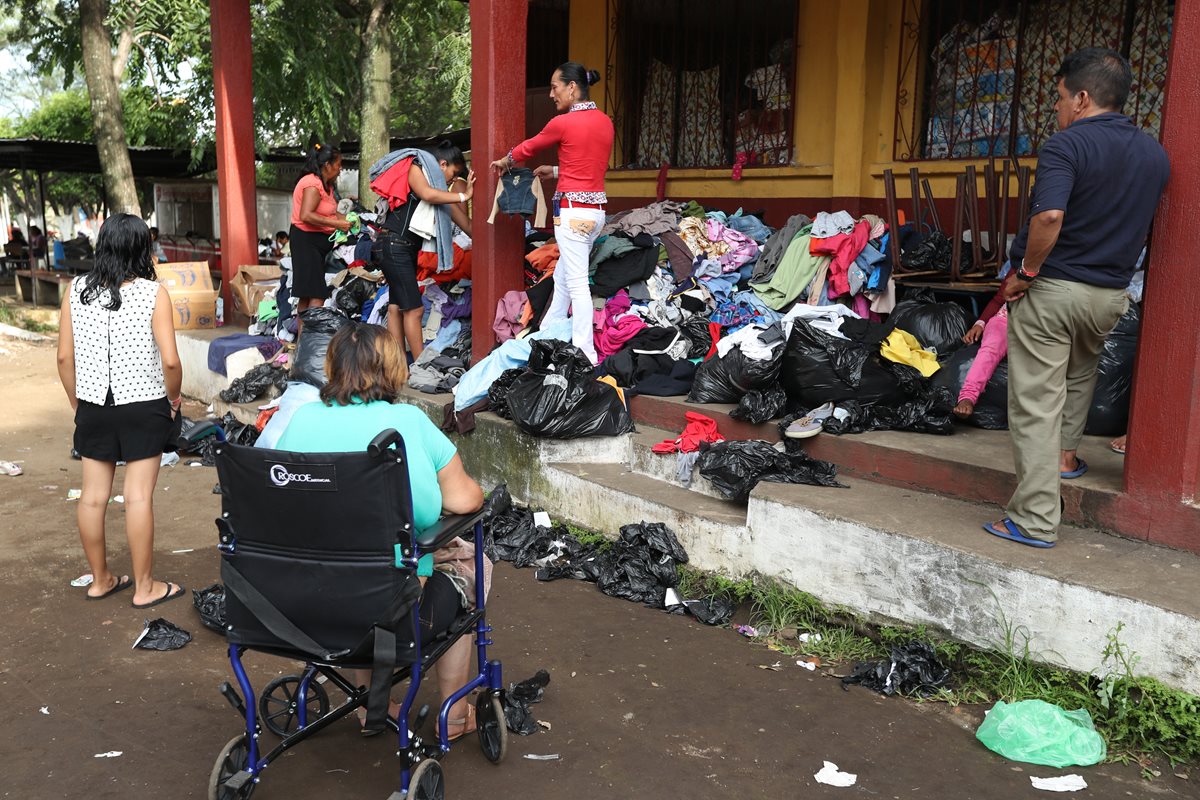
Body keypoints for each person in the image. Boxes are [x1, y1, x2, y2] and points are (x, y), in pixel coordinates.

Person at [984, 48, 1169, 548]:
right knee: (1081, 374)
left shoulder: (1067, 145)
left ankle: (1034, 519)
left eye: (1061, 97)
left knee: (1036, 403)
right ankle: (1066, 458)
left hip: (1054, 291)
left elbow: (1049, 217)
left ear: (1082, 98)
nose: (1058, 107)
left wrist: (1024, 273)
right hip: (1110, 296)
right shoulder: (1154, 155)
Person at [275, 323, 487, 738]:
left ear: (332, 367)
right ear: (393, 370)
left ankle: (368, 703)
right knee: (469, 566)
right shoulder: (407, 423)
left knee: (351, 556)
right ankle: (456, 716)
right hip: (392, 613)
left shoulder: (301, 421)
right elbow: (466, 501)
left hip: (304, 606)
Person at [56, 213, 186, 607]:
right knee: (138, 497)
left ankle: (100, 580)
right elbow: (170, 362)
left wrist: (79, 403)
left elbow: (63, 358)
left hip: (93, 405)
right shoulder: (153, 293)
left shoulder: (75, 290)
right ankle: (145, 588)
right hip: (144, 405)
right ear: (142, 249)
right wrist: (174, 400)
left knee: (93, 497)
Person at [491, 61, 614, 364]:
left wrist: (506, 160)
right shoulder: (605, 122)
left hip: (572, 215)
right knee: (563, 277)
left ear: (572, 87)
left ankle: (586, 354)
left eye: (554, 87)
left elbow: (530, 147)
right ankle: (547, 333)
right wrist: (557, 171)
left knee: (577, 284)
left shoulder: (563, 123)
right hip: (595, 214)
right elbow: (589, 163)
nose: (550, 94)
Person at [371, 141, 475, 360]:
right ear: (442, 164)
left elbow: (467, 225)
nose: (453, 181)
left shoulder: (441, 196)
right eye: (454, 174)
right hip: (394, 245)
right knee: (415, 310)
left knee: (396, 308)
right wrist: (463, 196)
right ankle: (420, 366)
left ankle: (399, 367)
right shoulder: (416, 166)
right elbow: (427, 194)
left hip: (402, 248)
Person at [290, 142, 352, 325]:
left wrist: (352, 220)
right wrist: (337, 224)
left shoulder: (327, 186)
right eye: (338, 164)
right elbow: (306, 215)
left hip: (316, 244)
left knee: (306, 294)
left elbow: (330, 213)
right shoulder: (312, 183)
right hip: (305, 242)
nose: (340, 169)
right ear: (327, 165)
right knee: (317, 294)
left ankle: (303, 339)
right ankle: (311, 338)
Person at [953, 275, 1016, 419]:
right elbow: (998, 299)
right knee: (989, 351)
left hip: (1038, 326)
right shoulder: (1018, 266)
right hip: (1005, 319)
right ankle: (967, 397)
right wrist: (980, 323)